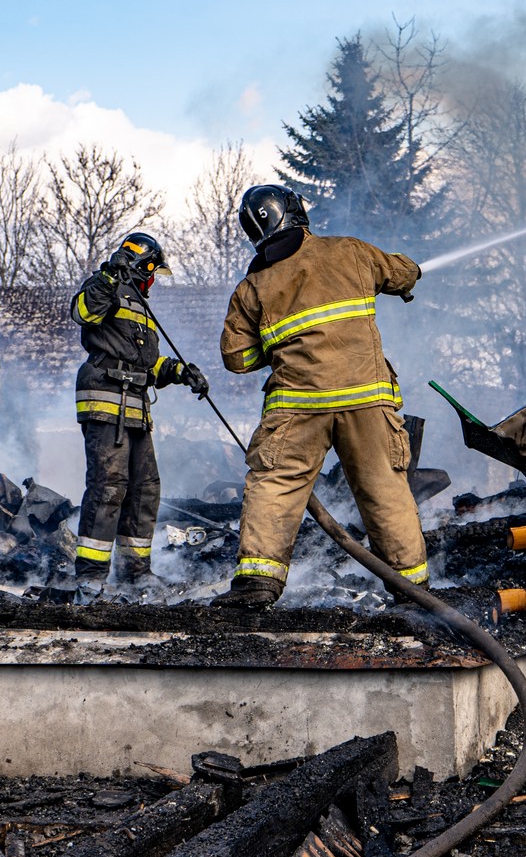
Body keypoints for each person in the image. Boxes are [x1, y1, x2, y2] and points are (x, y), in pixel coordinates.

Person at [213, 184, 428, 608]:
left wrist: (275, 347)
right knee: (383, 488)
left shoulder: (252, 286)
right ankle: (413, 590)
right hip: (366, 400)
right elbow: (403, 272)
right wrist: (411, 273)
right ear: (296, 212)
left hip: (296, 407)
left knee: (275, 484)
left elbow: (236, 357)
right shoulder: (351, 252)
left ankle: (258, 584)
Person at [70, 231, 208, 602]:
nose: (153, 281)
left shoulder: (141, 308)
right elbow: (82, 311)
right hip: (105, 401)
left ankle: (135, 574)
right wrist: (109, 277)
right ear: (141, 266)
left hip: (135, 407)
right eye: (152, 272)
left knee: (145, 489)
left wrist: (180, 372)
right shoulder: (105, 287)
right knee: (109, 486)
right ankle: (90, 578)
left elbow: (146, 364)